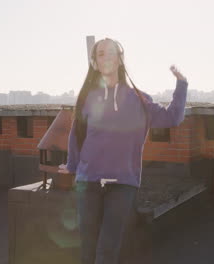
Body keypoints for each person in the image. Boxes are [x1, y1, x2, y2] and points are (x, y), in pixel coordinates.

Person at [58, 37, 188, 264]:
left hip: (123, 185)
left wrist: (182, 84)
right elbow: (77, 136)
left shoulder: (139, 100)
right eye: (100, 54)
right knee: (87, 247)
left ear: (120, 59)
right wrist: (71, 165)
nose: (106, 57)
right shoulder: (87, 99)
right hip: (87, 183)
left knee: (108, 249)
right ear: (95, 63)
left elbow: (172, 117)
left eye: (111, 52)